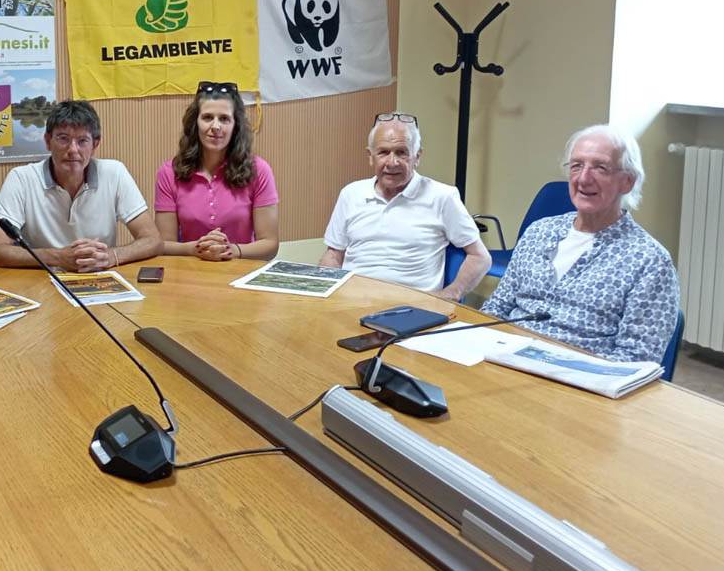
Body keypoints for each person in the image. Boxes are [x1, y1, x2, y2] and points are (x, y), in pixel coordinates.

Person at [484, 124, 678, 363]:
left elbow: (636, 360)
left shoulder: (649, 260)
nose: (584, 178)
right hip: (503, 362)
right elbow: (495, 310)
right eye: (577, 166)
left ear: (627, 181)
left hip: (578, 385)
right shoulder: (539, 232)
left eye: (600, 168)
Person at [320, 113, 491, 300]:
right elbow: (334, 255)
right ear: (371, 157)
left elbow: (480, 257)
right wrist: (325, 292)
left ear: (417, 157)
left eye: (401, 152)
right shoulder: (351, 194)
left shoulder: (443, 197)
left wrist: (451, 294)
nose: (392, 162)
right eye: (383, 152)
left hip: (412, 305)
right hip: (352, 300)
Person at [0, 100, 161, 271]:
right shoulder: (21, 179)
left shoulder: (114, 173)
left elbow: (152, 239)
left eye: (82, 141)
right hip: (42, 282)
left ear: (95, 144)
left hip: (99, 279)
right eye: (63, 138)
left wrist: (111, 256)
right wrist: (59, 257)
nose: (73, 150)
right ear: (47, 141)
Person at [155, 81, 279, 261]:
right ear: (195, 123)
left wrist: (231, 250)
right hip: (189, 273)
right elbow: (163, 244)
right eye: (207, 117)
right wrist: (197, 248)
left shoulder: (259, 170)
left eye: (224, 119)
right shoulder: (168, 173)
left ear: (235, 125)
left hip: (241, 273)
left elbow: (270, 244)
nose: (216, 126)